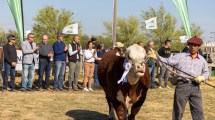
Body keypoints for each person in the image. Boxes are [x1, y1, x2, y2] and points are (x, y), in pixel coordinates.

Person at [157, 36, 209, 120]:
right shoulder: (180, 56)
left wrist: (202, 77)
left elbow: (206, 73)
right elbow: (167, 61)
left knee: (198, 111)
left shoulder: (202, 60)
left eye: (195, 45)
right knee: (178, 111)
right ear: (188, 45)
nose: (193, 47)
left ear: (198, 47)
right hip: (182, 86)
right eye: (191, 45)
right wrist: (156, 57)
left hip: (196, 87)